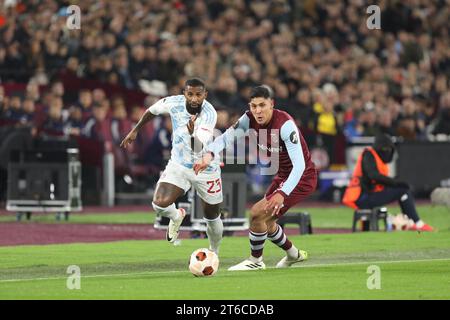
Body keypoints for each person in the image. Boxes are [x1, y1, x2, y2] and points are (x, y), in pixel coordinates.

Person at [194, 85, 317, 271]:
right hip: (283, 175)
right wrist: (209, 154)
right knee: (266, 222)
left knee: (256, 214)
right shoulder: (249, 119)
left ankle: (256, 261)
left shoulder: (285, 125)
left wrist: (282, 193)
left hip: (301, 177)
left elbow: (300, 166)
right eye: (254, 106)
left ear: (272, 104)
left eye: (262, 105)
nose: (258, 111)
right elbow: (227, 137)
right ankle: (293, 254)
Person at [120, 78, 224, 253]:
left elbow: (198, 149)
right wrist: (136, 129)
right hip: (179, 165)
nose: (194, 99)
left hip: (206, 168)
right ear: (184, 93)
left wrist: (191, 135)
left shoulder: (209, 114)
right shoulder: (174, 102)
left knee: (212, 218)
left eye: (198, 95)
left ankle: (214, 252)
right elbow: (152, 110)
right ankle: (177, 216)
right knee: (159, 204)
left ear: (205, 95)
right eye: (190, 94)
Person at [342, 133, 434, 231]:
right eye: (388, 149)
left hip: (365, 195)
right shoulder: (368, 155)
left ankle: (410, 222)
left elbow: (376, 180)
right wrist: (395, 183)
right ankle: (416, 222)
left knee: (401, 189)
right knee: (403, 190)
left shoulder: (375, 158)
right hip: (362, 197)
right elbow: (373, 175)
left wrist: (394, 182)